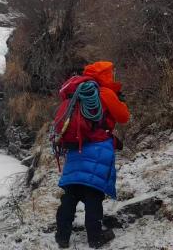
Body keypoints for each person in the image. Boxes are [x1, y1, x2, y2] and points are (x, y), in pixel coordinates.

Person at [54, 61, 130, 249]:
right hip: (98, 148)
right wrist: (119, 101)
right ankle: (95, 238)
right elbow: (124, 117)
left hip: (76, 147)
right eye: (111, 73)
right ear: (105, 75)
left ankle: (62, 237)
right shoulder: (104, 92)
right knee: (93, 194)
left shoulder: (78, 92)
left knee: (71, 193)